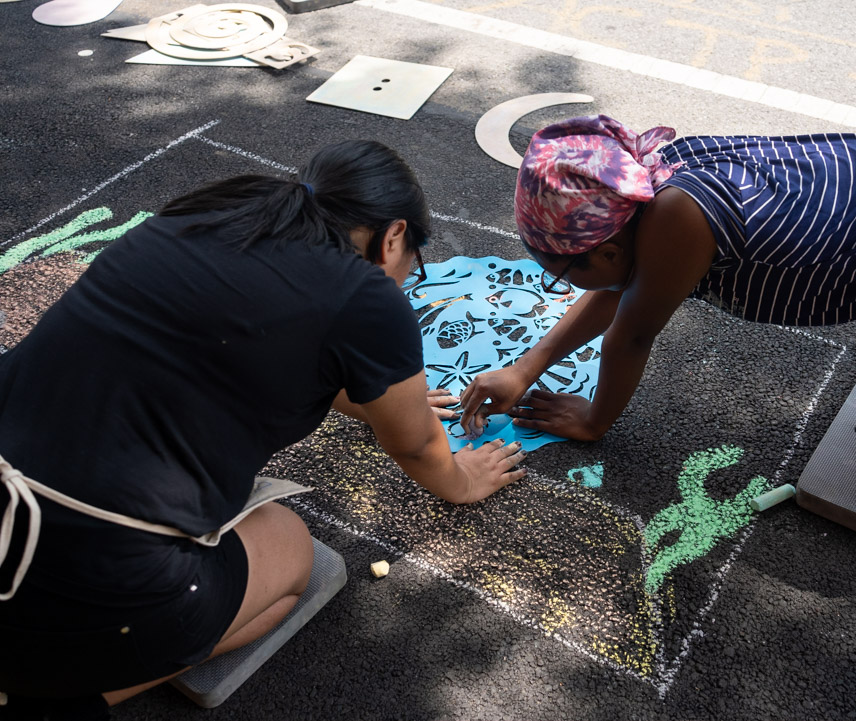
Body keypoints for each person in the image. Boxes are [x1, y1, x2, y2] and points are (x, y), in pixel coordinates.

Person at [0, 140, 526, 716]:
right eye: (413, 264)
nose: (407, 277)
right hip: (88, 577)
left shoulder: (203, 214)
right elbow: (420, 446)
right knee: (288, 546)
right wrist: (465, 480)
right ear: (393, 236)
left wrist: (384, 390)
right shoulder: (365, 294)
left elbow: (245, 346)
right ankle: (55, 698)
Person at [459, 111, 856, 509]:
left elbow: (630, 334)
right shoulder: (653, 192)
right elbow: (619, 286)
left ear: (611, 245)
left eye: (566, 272)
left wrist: (596, 421)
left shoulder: (680, 222)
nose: (569, 285)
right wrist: (527, 366)